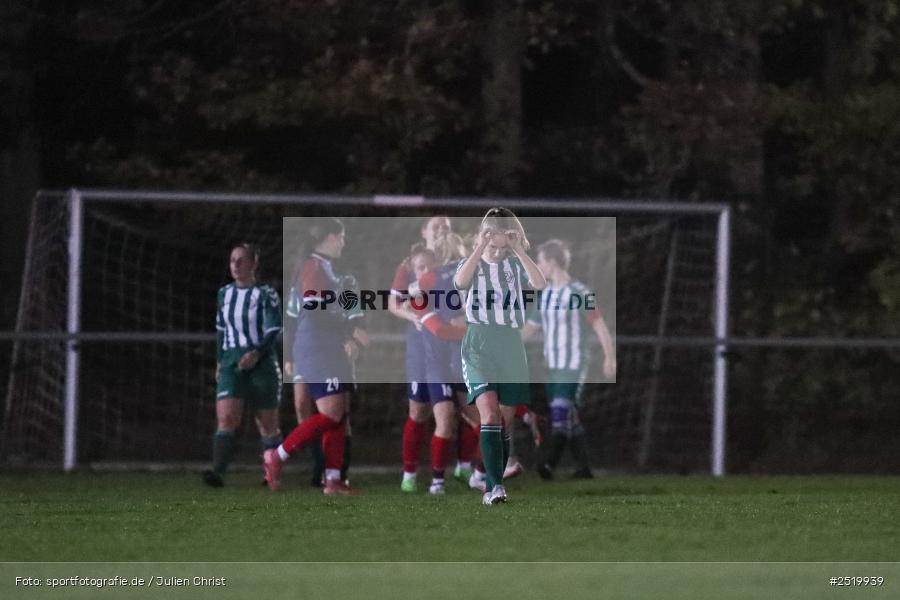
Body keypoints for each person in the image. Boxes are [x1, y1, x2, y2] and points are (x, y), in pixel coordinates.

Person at [263, 218, 365, 495]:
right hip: (318, 348)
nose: (344, 242)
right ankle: (277, 456)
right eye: (341, 236)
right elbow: (316, 313)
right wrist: (349, 331)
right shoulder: (313, 267)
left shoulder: (330, 271)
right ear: (329, 237)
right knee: (330, 413)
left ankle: (333, 480)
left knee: (338, 415)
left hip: (327, 348)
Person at [453, 207, 546, 505]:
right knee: (489, 413)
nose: (494, 252)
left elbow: (540, 283)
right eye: (490, 244)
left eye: (499, 246)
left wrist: (517, 248)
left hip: (509, 343)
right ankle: (494, 488)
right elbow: (460, 282)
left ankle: (492, 479)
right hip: (479, 341)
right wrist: (481, 245)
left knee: (504, 422)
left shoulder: (515, 266)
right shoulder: (471, 263)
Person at [521, 238, 616, 480]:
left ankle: (548, 464)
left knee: (560, 414)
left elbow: (600, 326)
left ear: (552, 262)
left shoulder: (579, 293)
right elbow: (529, 329)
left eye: (541, 262)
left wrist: (609, 358)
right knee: (569, 417)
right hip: (552, 366)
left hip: (573, 364)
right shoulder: (546, 296)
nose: (539, 267)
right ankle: (584, 469)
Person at [203, 243, 283, 488]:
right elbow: (220, 329)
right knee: (226, 417)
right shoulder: (224, 294)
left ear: (253, 264)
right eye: (232, 261)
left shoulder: (265, 294)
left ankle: (271, 475)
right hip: (231, 361)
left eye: (241, 260)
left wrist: (257, 353)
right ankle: (217, 472)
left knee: (267, 423)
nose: (235, 265)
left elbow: (273, 328)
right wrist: (219, 360)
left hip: (262, 362)